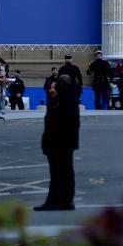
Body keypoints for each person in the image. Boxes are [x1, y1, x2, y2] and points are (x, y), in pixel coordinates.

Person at [35, 74, 80, 212]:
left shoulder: (65, 101)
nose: (51, 89)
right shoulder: (63, 100)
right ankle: (63, 200)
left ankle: (58, 201)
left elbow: (60, 125)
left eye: (55, 87)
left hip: (61, 144)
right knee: (62, 172)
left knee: (59, 173)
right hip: (62, 143)